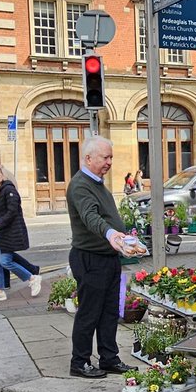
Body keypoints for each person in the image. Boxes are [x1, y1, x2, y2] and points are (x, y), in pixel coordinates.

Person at [65, 136, 142, 378]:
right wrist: (110, 233)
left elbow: (106, 217)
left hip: (108, 257)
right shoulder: (80, 185)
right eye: (105, 157)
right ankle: (80, 362)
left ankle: (109, 358)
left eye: (111, 157)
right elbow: (90, 217)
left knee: (110, 312)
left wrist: (126, 239)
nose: (109, 162)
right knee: (90, 313)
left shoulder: (97, 183)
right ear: (88, 158)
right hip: (90, 258)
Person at [0, 151, 42, 285]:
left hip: (5, 226)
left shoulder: (6, 181)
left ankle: (31, 274)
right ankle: (1, 286)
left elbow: (12, 206)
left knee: (5, 259)